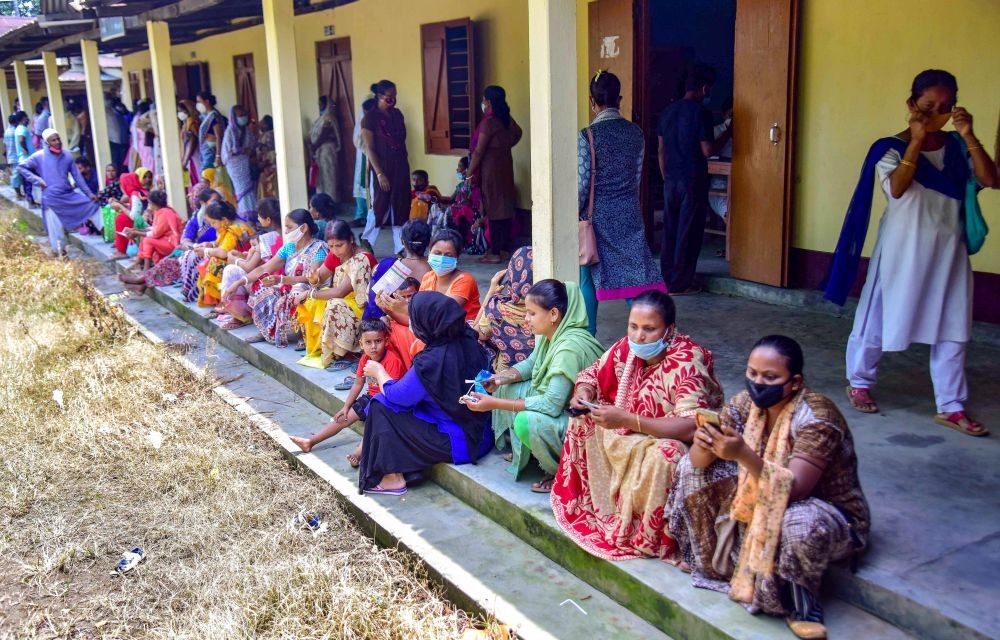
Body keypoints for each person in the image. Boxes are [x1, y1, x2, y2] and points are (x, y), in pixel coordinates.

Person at [825, 69, 996, 437]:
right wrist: (916, 142)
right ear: (911, 105)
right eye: (928, 106)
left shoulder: (956, 147)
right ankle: (859, 381)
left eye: (945, 107)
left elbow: (990, 179)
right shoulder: (889, 148)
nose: (937, 113)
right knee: (877, 317)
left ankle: (951, 405)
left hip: (949, 252)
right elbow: (898, 189)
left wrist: (968, 135)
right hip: (902, 251)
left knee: (953, 326)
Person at [668, 336, 870, 640]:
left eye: (770, 377)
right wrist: (704, 443)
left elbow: (796, 489)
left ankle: (800, 605)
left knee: (799, 521)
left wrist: (741, 455)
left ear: (795, 382)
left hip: (828, 512)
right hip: (763, 494)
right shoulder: (744, 404)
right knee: (688, 468)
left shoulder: (817, 417)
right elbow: (697, 463)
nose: (758, 383)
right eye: (752, 374)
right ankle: (711, 562)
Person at [550, 290, 723, 561]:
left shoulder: (689, 362)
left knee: (666, 455)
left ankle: (645, 533)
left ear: (670, 330)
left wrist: (630, 421)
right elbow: (592, 374)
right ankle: (603, 508)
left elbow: (692, 426)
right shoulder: (627, 347)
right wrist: (583, 394)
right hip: (629, 427)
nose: (639, 336)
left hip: (673, 439)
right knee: (583, 421)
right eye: (633, 327)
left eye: (649, 329)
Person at [470, 279, 605, 489]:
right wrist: (500, 378)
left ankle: (560, 473)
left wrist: (494, 403)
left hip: (582, 423)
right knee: (507, 386)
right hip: (561, 407)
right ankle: (531, 451)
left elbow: (551, 404)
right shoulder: (550, 334)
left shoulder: (569, 349)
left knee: (526, 421)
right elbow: (531, 363)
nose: (526, 318)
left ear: (553, 315)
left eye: (532, 313)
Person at [357, 291, 493, 496]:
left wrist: (379, 372)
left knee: (380, 404)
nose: (413, 324)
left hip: (459, 443)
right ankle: (409, 469)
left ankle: (392, 478)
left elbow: (397, 395)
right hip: (482, 433)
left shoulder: (431, 361)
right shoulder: (468, 340)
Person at [579, 71, 668, 334]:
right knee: (635, 274)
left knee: (588, 273)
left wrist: (575, 213)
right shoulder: (636, 133)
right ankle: (655, 325)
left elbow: (583, 183)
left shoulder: (588, 136)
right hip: (629, 211)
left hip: (597, 215)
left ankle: (588, 334)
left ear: (592, 101)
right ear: (619, 98)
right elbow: (637, 176)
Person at [657, 63, 732, 295]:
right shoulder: (701, 113)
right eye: (708, 88)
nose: (709, 93)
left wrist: (666, 177)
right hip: (692, 180)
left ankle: (668, 278)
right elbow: (708, 150)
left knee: (671, 230)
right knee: (688, 233)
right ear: (703, 88)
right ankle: (682, 283)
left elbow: (661, 150)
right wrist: (730, 131)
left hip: (671, 180)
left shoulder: (667, 112)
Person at [290, 319, 408, 463]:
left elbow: (392, 392)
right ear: (361, 344)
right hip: (371, 397)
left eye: (378, 341)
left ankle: (358, 454)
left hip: (387, 402)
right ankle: (310, 442)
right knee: (342, 418)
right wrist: (346, 406)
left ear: (386, 340)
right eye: (368, 342)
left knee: (375, 422)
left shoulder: (392, 360)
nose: (373, 347)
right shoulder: (365, 359)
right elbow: (358, 383)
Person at [229, 209, 328, 346]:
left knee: (298, 290)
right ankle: (267, 330)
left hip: (309, 288)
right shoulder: (289, 247)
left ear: (304, 228)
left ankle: (303, 334)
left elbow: (310, 278)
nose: (286, 232)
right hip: (288, 284)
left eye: (289, 227)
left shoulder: (318, 249)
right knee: (262, 287)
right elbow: (265, 268)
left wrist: (281, 280)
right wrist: (239, 282)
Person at [294, 220, 374, 366]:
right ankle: (320, 347)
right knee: (314, 301)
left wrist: (309, 293)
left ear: (350, 240)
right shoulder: (335, 254)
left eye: (339, 245)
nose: (336, 250)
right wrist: (313, 280)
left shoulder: (363, 258)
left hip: (361, 307)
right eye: (331, 246)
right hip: (344, 301)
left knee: (333, 303)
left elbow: (340, 292)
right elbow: (320, 277)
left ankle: (346, 352)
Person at [16, 129, 102, 255]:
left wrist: (89, 194)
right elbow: (21, 167)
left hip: (68, 194)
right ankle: (60, 255)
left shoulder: (67, 155)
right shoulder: (39, 156)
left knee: (93, 207)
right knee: (56, 231)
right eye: (53, 140)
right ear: (47, 142)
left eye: (58, 139)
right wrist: (37, 180)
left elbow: (77, 177)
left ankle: (110, 237)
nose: (57, 142)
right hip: (51, 198)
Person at [468, 85, 522, 264]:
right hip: (505, 166)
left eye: (484, 99)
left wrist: (469, 173)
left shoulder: (489, 122)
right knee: (505, 207)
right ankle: (505, 249)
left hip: (491, 169)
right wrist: (504, 146)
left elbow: (478, 151)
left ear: (488, 101)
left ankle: (495, 252)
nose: (483, 102)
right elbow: (518, 133)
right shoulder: (505, 118)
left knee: (493, 209)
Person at [360, 80, 410, 254]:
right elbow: (370, 149)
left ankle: (401, 246)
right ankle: (366, 238)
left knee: (401, 204)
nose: (393, 100)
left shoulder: (397, 115)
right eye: (389, 97)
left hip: (400, 166)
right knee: (381, 204)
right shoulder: (370, 118)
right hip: (382, 168)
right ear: (380, 96)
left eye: (395, 97)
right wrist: (380, 173)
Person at [219, 197, 284, 328]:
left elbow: (249, 267)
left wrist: (235, 260)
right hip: (274, 277)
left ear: (268, 220)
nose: (258, 219)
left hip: (270, 280)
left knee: (230, 270)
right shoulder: (279, 235)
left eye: (259, 216)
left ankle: (240, 315)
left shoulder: (266, 238)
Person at [475, 246, 535, 371]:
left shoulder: (498, 306)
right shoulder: (550, 307)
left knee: (476, 332)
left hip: (505, 374)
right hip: (538, 370)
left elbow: (477, 334)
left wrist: (491, 293)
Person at [365, 219, 432, 324]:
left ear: (402, 241)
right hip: (427, 325)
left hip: (391, 325)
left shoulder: (390, 266)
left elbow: (374, 302)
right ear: (428, 243)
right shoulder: (435, 268)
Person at [193, 200, 256, 310]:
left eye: (213, 223)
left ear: (224, 220)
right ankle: (218, 299)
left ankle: (224, 301)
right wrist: (209, 245)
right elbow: (219, 243)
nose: (212, 226)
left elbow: (223, 252)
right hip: (239, 259)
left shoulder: (234, 229)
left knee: (215, 263)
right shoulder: (230, 226)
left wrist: (206, 251)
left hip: (246, 262)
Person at [118, 189, 183, 287]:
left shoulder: (165, 212)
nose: (148, 205)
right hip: (166, 240)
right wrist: (135, 230)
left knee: (148, 240)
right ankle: (140, 268)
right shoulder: (159, 211)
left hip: (173, 244)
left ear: (153, 203)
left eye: (149, 203)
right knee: (145, 238)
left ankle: (145, 270)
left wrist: (136, 232)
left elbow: (156, 233)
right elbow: (154, 229)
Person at [222, 105, 258, 221]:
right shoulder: (230, 131)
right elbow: (228, 151)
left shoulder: (247, 131)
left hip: (245, 162)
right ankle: (245, 214)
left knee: (249, 188)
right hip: (234, 164)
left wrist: (248, 151)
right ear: (234, 117)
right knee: (241, 188)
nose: (243, 118)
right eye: (240, 116)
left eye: (244, 115)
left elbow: (252, 144)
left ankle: (252, 212)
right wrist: (242, 150)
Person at [111, 168, 152, 256]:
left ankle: (122, 250)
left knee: (121, 218)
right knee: (122, 215)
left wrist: (120, 206)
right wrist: (121, 204)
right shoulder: (140, 191)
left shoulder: (135, 194)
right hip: (146, 219)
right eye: (144, 177)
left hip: (145, 223)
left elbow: (134, 216)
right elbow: (137, 207)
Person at [351, 97, 377, 228]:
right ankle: (362, 215)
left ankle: (376, 216)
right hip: (364, 155)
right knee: (363, 184)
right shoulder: (363, 121)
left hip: (377, 156)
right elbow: (358, 139)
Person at [311, 98, 342, 199]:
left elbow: (325, 132)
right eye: (318, 104)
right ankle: (321, 202)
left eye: (322, 104)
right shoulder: (321, 118)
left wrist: (315, 146)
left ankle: (330, 202)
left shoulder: (328, 117)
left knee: (329, 178)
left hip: (327, 151)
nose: (320, 106)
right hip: (320, 151)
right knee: (321, 178)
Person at [196, 92, 226, 170]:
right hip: (207, 149)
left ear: (207, 101)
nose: (198, 104)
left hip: (211, 150)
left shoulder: (214, 115)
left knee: (207, 174)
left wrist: (218, 156)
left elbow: (218, 136)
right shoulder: (208, 115)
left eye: (199, 102)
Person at [13, 111, 36, 206]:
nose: (27, 119)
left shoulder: (18, 128)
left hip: (22, 159)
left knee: (26, 181)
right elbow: (21, 139)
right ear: (23, 118)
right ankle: (31, 201)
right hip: (27, 159)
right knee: (29, 181)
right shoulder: (22, 129)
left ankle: (29, 199)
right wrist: (25, 149)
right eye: (26, 117)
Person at [178, 100, 201, 189]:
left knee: (195, 179)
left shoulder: (191, 122)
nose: (180, 114)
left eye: (182, 111)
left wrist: (185, 160)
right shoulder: (186, 123)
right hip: (189, 157)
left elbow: (192, 141)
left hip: (193, 155)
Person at [256, 115, 277, 199]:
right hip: (265, 167)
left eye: (262, 121)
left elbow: (270, 152)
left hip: (269, 168)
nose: (259, 123)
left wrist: (264, 161)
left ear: (266, 125)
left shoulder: (269, 135)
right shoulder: (263, 135)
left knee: (268, 190)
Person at [4, 114, 24, 200]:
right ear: (15, 121)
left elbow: (5, 145)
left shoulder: (7, 131)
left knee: (16, 175)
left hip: (10, 156)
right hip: (16, 156)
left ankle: (19, 193)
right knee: (16, 176)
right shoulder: (15, 131)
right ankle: (18, 194)